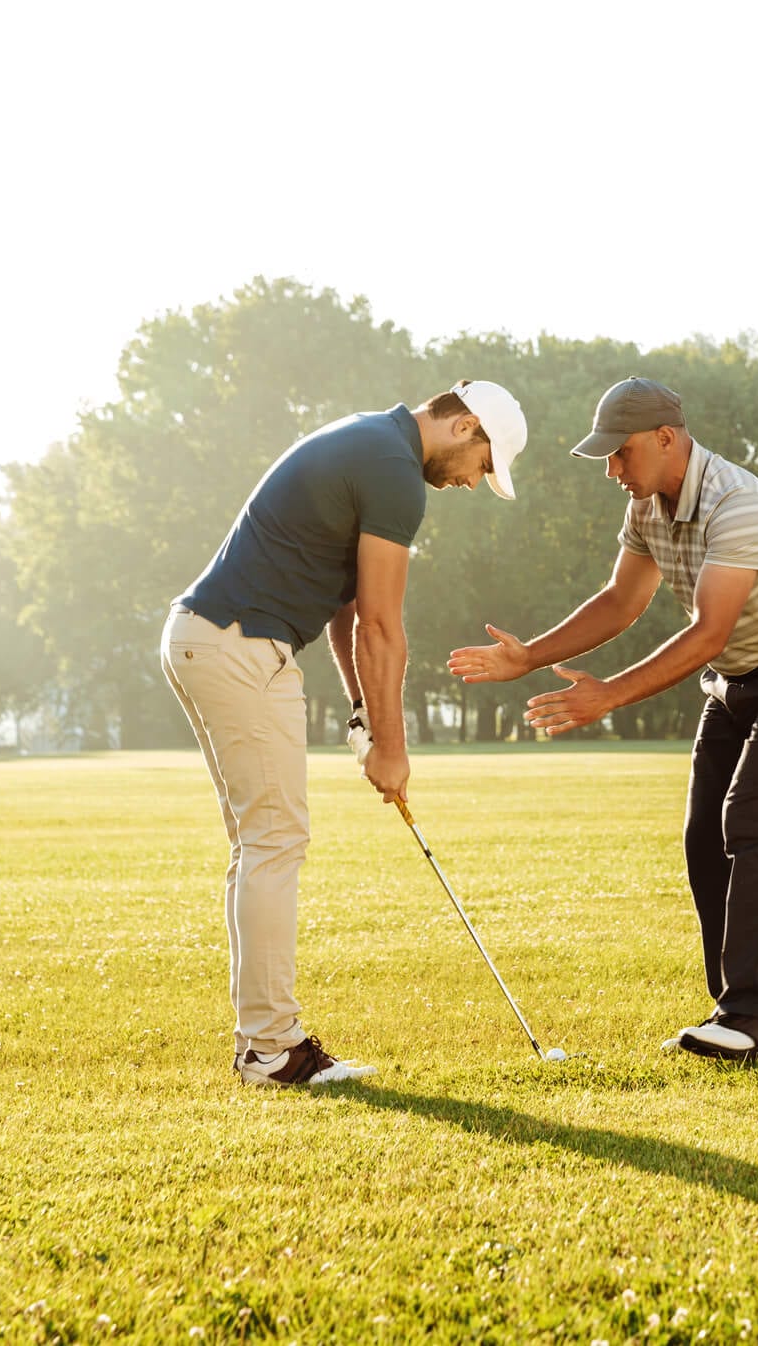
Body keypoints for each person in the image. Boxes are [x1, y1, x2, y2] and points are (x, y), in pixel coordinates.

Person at [447, 377, 758, 1063]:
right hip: (734, 683)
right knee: (704, 836)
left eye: (620, 453)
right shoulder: (649, 505)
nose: (611, 470)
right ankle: (733, 1012)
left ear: (667, 439)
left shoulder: (737, 503)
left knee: (750, 821)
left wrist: (607, 695)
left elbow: (709, 631)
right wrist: (529, 657)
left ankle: (757, 1020)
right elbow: (620, 601)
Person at [162, 380, 528, 1086]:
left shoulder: (369, 440)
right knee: (275, 842)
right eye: (483, 465)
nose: (473, 482)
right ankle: (271, 1050)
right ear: (467, 427)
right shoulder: (394, 472)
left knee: (261, 844)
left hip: (206, 638)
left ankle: (264, 1042)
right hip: (240, 645)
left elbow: (349, 607)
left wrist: (363, 709)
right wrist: (391, 746)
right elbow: (382, 627)